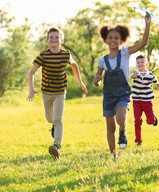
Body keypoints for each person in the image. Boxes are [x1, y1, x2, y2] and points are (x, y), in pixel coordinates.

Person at [94, 12, 151, 160]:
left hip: (123, 93)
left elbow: (143, 43)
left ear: (121, 41)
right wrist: (97, 80)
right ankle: (113, 154)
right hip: (108, 95)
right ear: (105, 40)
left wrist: (147, 24)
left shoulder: (125, 53)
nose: (113, 40)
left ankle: (123, 130)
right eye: (110, 38)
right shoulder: (102, 60)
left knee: (120, 117)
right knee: (110, 127)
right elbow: (98, 76)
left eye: (116, 38)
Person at [27, 27, 88, 160]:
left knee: (58, 119)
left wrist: (80, 82)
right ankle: (53, 127)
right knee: (50, 119)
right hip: (47, 92)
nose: (54, 39)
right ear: (48, 40)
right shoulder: (43, 55)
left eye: (57, 37)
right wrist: (31, 89)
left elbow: (74, 65)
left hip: (60, 91)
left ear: (62, 40)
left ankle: (57, 147)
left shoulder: (66, 54)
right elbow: (31, 72)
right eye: (51, 37)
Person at [130, 55, 159, 146]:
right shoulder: (135, 73)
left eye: (142, 62)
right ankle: (138, 140)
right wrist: (136, 73)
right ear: (136, 64)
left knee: (150, 121)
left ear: (146, 64)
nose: (140, 64)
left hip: (147, 102)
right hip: (136, 101)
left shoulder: (150, 75)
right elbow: (131, 76)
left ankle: (153, 119)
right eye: (138, 63)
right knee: (137, 120)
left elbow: (158, 86)